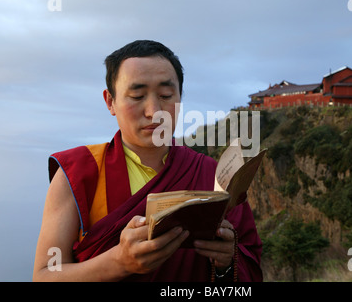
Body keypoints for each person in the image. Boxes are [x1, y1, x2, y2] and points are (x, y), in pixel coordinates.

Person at [33, 40, 263, 282]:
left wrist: (227, 262)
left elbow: (250, 266)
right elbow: (45, 274)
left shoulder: (214, 176)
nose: (154, 111)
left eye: (165, 95)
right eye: (137, 96)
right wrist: (118, 262)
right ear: (110, 101)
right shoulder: (78, 172)